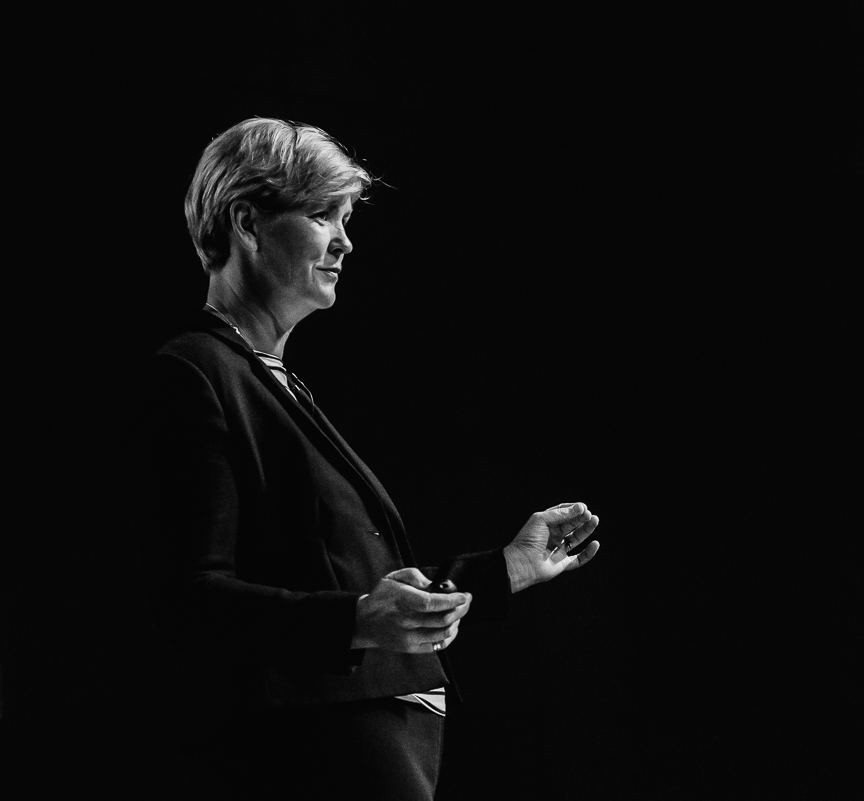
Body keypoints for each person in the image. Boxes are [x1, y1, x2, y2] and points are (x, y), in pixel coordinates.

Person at [131, 117, 600, 799]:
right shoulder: (195, 372)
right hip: (323, 739)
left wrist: (508, 568)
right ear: (246, 222)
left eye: (346, 218)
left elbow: (371, 583)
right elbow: (189, 597)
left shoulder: (278, 381)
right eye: (323, 214)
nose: (346, 241)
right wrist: (354, 620)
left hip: (387, 732)